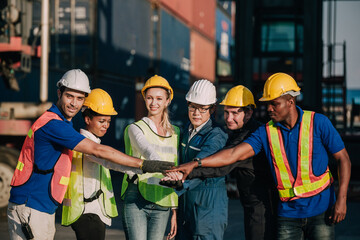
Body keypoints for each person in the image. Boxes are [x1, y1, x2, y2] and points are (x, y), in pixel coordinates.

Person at [170, 73, 351, 240]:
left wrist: (341, 200)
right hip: (287, 213)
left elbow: (343, 159)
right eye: (267, 104)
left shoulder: (317, 122)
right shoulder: (266, 131)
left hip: (313, 210)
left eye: (274, 103)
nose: (269, 109)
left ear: (290, 101)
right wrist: (195, 163)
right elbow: (233, 154)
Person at [7, 69, 174, 240]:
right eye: (69, 96)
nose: (74, 103)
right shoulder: (54, 125)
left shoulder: (62, 125)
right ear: (59, 93)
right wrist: (143, 164)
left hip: (41, 207)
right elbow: (99, 152)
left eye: (80, 98)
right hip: (31, 206)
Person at [163, 85, 277, 240]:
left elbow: (221, 166)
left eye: (235, 113)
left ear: (249, 112)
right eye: (227, 112)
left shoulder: (251, 136)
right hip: (252, 203)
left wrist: (187, 172)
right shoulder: (237, 132)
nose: (229, 118)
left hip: (262, 205)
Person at [61, 88, 141, 240]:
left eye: (109, 121)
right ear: (87, 119)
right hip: (86, 212)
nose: (106, 125)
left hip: (96, 211)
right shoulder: (83, 144)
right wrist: (141, 167)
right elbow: (108, 160)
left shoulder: (93, 142)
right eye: (102, 121)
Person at [120, 75, 180, 240]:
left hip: (163, 199)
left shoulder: (176, 133)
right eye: (150, 98)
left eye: (159, 98)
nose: (154, 103)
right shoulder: (135, 128)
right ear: (144, 99)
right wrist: (169, 172)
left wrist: (175, 210)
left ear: (167, 101)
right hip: (137, 197)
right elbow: (147, 152)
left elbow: (178, 165)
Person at [176, 79, 228, 240]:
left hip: (208, 208)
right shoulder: (187, 132)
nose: (196, 113)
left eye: (202, 108)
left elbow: (201, 162)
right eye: (193, 107)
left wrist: (179, 181)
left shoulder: (216, 135)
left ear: (212, 109)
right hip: (186, 207)